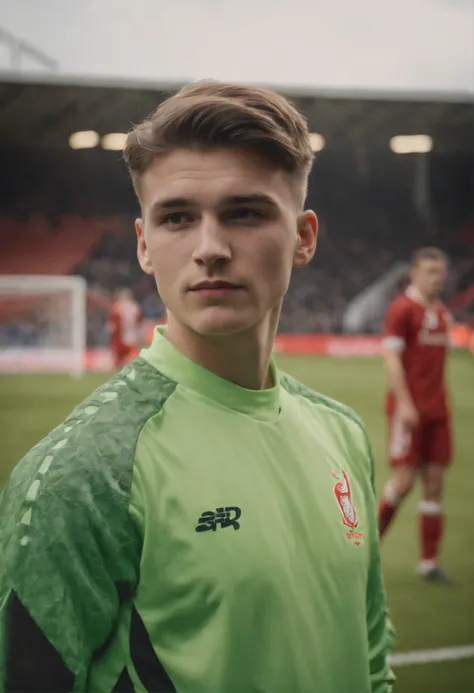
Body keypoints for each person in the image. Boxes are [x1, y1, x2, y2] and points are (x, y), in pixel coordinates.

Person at [0, 81, 394, 693]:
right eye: (177, 217)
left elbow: (372, 662)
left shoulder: (342, 434)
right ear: (144, 247)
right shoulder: (83, 473)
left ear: (304, 237)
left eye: (246, 212)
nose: (210, 249)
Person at [378, 247, 453, 582]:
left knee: (435, 485)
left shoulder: (441, 312)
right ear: (414, 274)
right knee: (404, 482)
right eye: (429, 272)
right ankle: (368, 548)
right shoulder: (402, 310)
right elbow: (392, 359)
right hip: (409, 411)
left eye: (440, 272)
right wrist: (405, 403)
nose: (436, 278)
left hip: (438, 411)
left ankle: (428, 563)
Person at [108, 287, 144, 369]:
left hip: (131, 334)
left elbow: (139, 322)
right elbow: (113, 322)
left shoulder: (134, 307)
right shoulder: (117, 307)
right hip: (121, 335)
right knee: (120, 355)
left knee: (131, 355)